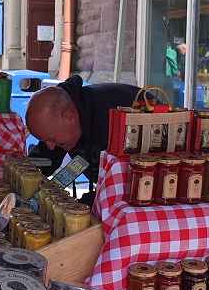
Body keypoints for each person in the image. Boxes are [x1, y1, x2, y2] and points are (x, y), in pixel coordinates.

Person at [24, 75, 153, 206]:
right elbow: (43, 162)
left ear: (69, 117)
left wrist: (78, 207)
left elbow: (121, 185)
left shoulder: (110, 119)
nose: (51, 146)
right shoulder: (60, 119)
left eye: (51, 139)